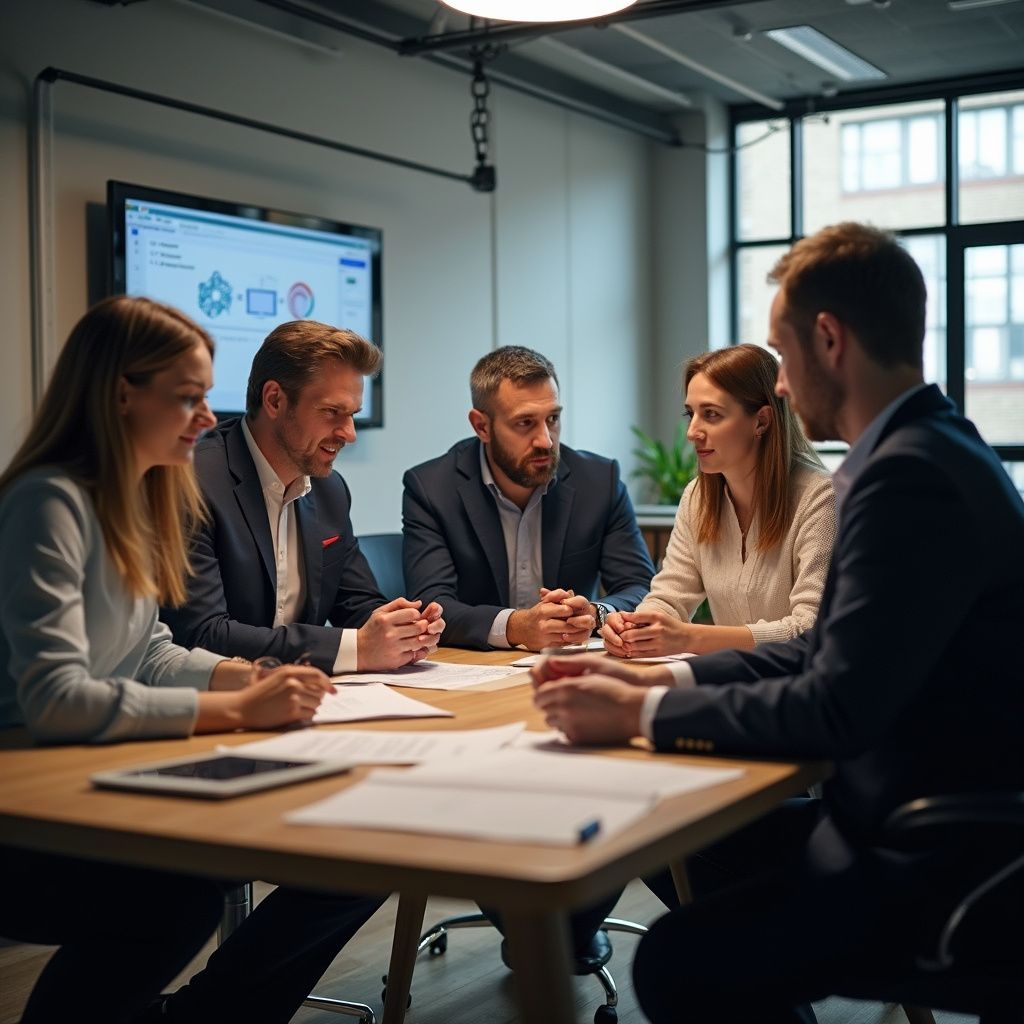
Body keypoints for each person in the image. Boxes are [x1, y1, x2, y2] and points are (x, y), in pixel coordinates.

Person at [531, 222, 1024, 1023]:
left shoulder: (905, 478)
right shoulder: (930, 449)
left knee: (679, 961)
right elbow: (826, 654)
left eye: (783, 355)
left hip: (946, 855)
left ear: (829, 340)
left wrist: (645, 711)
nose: (784, 384)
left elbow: (834, 702)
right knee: (683, 858)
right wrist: (662, 675)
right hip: (918, 818)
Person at [0, 296, 385, 1024]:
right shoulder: (48, 501)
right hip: (33, 804)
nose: (209, 419)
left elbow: (146, 651)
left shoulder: (131, 497)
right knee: (173, 904)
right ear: (121, 396)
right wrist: (236, 706)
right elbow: (55, 699)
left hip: (96, 769)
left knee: (359, 847)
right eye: (189, 398)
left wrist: (241, 676)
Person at [160, 319, 444, 673]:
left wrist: (406, 628)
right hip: (218, 706)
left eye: (353, 415)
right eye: (331, 412)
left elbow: (355, 604)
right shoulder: (193, 484)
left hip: (305, 699)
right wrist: (357, 647)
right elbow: (202, 635)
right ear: (275, 400)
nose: (349, 433)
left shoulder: (331, 491)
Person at [402, 345, 655, 652]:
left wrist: (595, 614)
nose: (545, 440)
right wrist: (516, 627)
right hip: (474, 673)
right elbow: (432, 604)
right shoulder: (431, 488)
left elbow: (640, 586)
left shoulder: (600, 482)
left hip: (570, 666)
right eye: (525, 423)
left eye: (553, 419)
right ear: (481, 426)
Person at [602, 343, 835, 659]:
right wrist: (634, 627)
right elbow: (669, 598)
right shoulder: (697, 497)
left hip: (801, 691)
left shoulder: (820, 498)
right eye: (691, 414)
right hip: (738, 683)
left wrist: (689, 637)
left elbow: (810, 630)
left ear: (762, 421)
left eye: (711, 414)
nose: (692, 432)